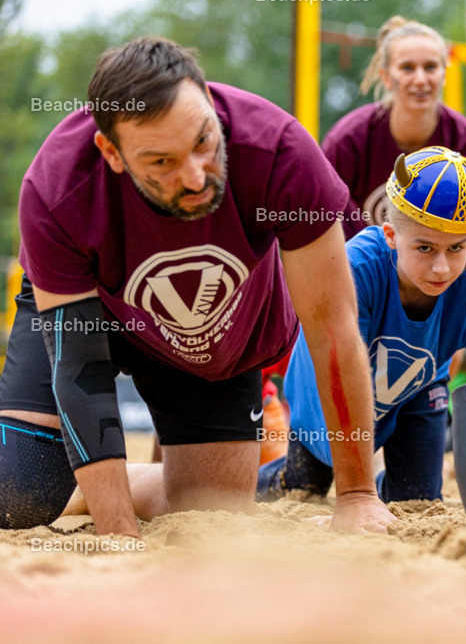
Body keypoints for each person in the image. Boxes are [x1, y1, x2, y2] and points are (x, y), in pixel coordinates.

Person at [0, 36, 392, 536]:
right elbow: (80, 368)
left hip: (212, 326)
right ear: (111, 152)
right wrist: (117, 531)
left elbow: (332, 328)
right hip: (90, 305)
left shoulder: (280, 151)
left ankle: (86, 487)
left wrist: (357, 494)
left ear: (208, 101)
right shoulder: (56, 188)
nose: (194, 177)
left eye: (204, 143)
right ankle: (87, 491)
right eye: (161, 162)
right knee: (20, 496)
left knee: (210, 513)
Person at [257, 147, 466, 503]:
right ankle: (244, 483)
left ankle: (394, 486)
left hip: (418, 391)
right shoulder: (357, 269)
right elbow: (338, 365)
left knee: (417, 501)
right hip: (332, 391)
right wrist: (355, 497)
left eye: (457, 248)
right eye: (425, 248)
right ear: (390, 235)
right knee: (302, 489)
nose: (442, 268)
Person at [322, 17, 466, 237]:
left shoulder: (463, 140)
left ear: (444, 74)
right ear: (386, 77)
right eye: (407, 68)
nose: (420, 79)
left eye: (430, 67)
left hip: (438, 266)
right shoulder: (347, 141)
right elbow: (322, 226)